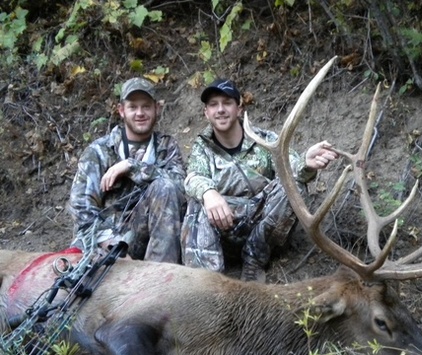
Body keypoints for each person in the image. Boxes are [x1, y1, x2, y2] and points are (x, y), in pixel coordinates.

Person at [181, 79, 338, 282]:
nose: (220, 109)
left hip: (262, 233)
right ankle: (205, 280)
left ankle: (254, 262)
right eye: (213, 104)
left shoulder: (265, 139)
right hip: (223, 231)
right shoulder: (202, 147)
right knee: (198, 201)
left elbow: (293, 168)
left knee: (293, 185)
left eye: (227, 102)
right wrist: (209, 193)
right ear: (206, 112)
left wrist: (306, 164)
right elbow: (194, 176)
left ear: (239, 108)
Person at [69, 77, 186, 263]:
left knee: (165, 187)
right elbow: (81, 208)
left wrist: (133, 166)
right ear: (121, 111)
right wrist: (112, 246)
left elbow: (182, 186)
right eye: (133, 107)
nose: (140, 113)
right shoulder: (99, 151)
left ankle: (159, 278)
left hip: (153, 239)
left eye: (146, 106)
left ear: (157, 109)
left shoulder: (166, 146)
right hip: (108, 240)